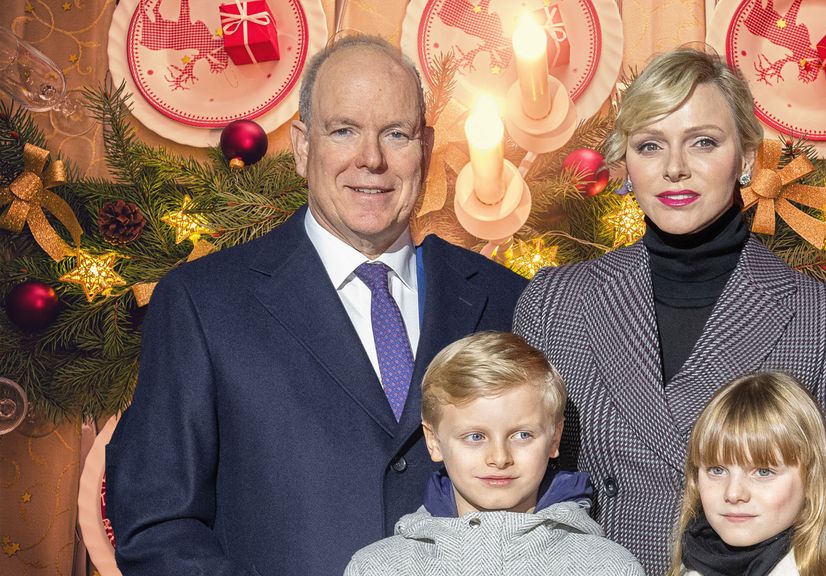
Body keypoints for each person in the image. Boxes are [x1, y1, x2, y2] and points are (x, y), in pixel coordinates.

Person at [105, 36, 527, 576]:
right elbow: (155, 525)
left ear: (425, 145)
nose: (371, 159)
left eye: (395, 134)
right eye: (344, 130)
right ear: (303, 145)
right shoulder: (203, 304)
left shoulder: (506, 299)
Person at [514, 47, 826, 576]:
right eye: (650, 146)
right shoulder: (557, 304)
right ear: (626, 163)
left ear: (749, 157)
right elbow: (512, 499)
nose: (674, 169)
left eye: (703, 142)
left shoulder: (822, 320)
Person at [343, 331, 644, 576]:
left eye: (522, 435)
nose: (499, 458)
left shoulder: (607, 566)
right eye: (475, 437)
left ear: (555, 438)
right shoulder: (377, 567)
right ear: (433, 440)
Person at [669, 372, 826, 576]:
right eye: (717, 470)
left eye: (763, 472)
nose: (733, 493)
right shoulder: (687, 565)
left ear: (812, 482)